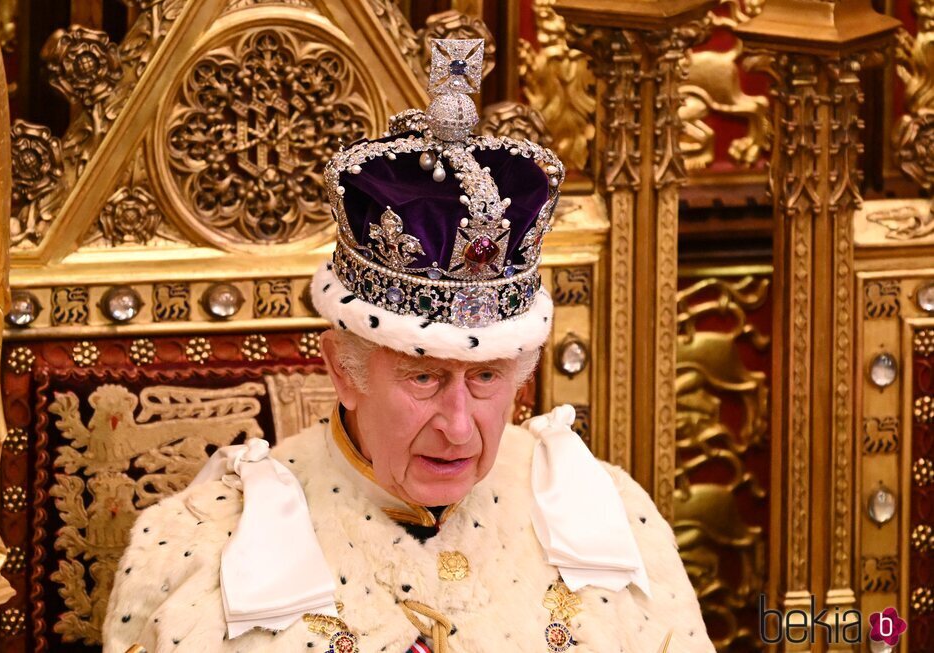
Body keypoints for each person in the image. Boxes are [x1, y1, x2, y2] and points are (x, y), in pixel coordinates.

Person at [102, 39, 713, 653]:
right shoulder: (202, 547)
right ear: (344, 370)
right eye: (424, 379)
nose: (458, 429)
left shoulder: (609, 516)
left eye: (486, 378)